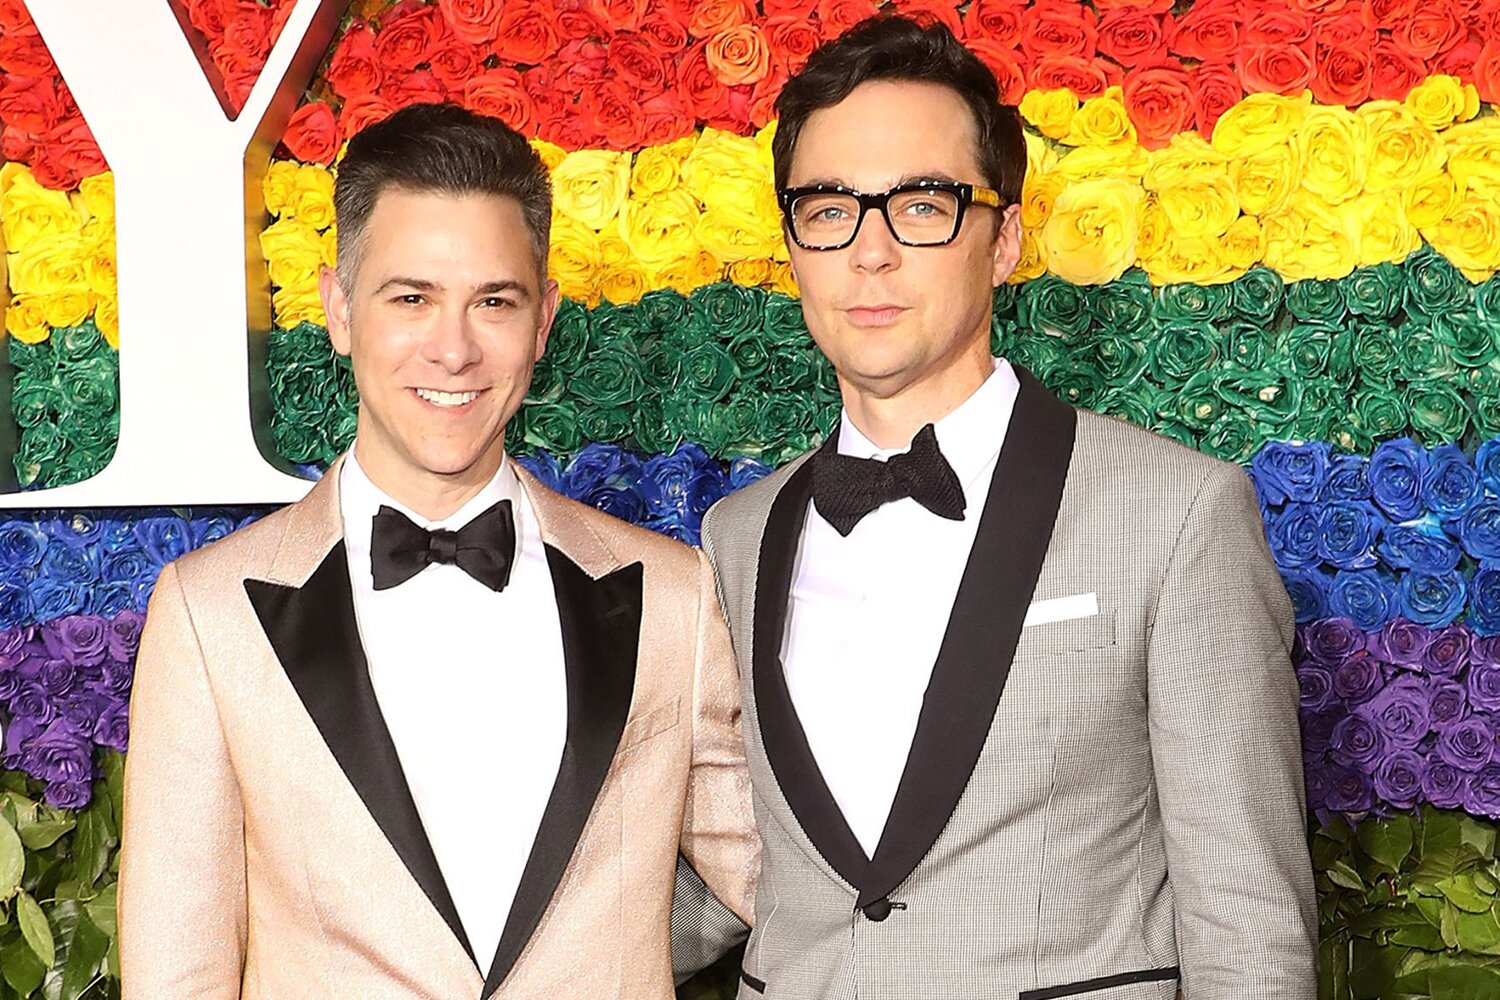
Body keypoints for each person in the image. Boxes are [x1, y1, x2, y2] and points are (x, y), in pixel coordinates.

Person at [695, 16, 1317, 999]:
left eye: (923, 205)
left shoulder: (1177, 514)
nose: (872, 252)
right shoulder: (735, 536)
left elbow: (1248, 925)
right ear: (793, 243)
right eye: (829, 209)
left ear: (1006, 239)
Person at [118, 102, 757, 1000]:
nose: (453, 349)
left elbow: (794, 890)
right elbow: (174, 974)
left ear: (542, 324)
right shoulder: (206, 612)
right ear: (339, 310)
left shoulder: (675, 598)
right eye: (411, 298)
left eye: (493, 302)